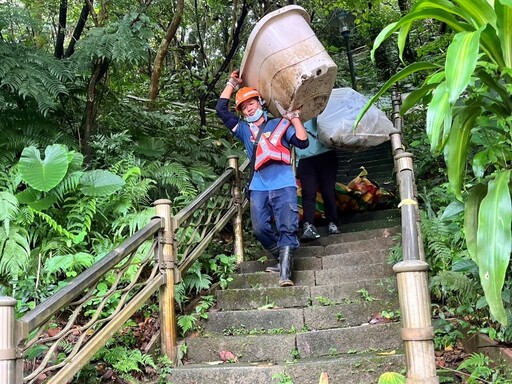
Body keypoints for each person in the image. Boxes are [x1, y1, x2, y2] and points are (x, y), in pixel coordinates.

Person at [216, 70, 309, 287]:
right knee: (260, 227)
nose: (249, 108)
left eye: (252, 103)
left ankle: (285, 274)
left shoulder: (279, 124)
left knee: (287, 225)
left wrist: (295, 119)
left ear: (260, 102)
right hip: (259, 184)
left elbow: (302, 143)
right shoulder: (243, 129)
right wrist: (232, 83)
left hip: (284, 181)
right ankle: (282, 258)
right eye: (244, 107)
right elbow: (221, 109)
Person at [295, 117, 341, 241]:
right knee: (308, 193)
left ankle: (333, 222)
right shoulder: (291, 114)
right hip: (305, 158)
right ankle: (308, 225)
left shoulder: (320, 108)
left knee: (328, 191)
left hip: (326, 153)